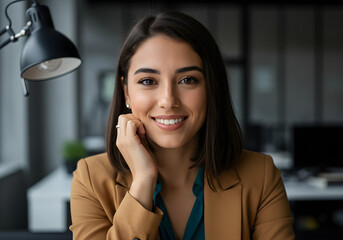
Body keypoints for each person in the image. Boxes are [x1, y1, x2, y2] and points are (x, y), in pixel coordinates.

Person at [70, 11, 294, 240]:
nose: (168, 100)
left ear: (211, 88)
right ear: (126, 91)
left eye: (187, 80)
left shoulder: (261, 175)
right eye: (148, 81)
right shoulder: (91, 179)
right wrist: (143, 181)